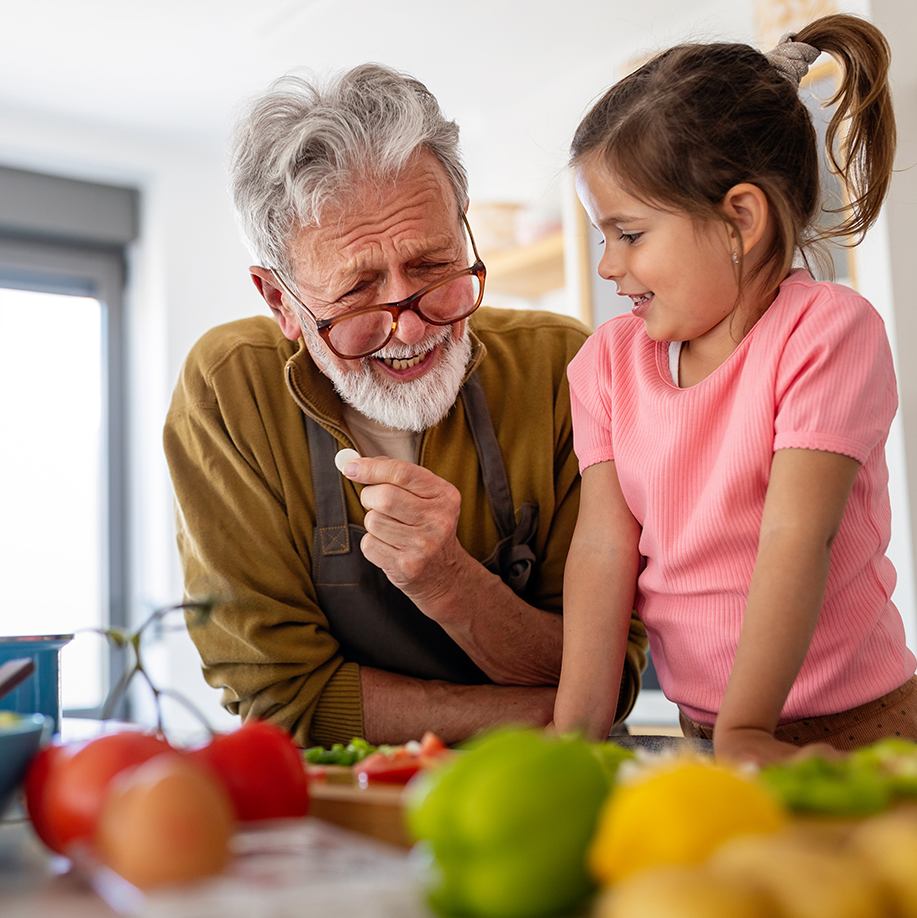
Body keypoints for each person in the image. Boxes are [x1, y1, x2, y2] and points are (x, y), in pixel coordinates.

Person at [164, 63, 648, 749]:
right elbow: (279, 696)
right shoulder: (227, 390)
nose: (412, 327)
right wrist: (551, 712)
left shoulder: (563, 368)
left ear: (463, 231)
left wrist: (449, 583)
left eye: (431, 267)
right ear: (281, 302)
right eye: (359, 291)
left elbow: (610, 669)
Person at [552, 14, 917, 765]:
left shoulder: (825, 331)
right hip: (709, 731)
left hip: (860, 728)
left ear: (738, 220)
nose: (606, 267)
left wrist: (748, 728)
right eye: (600, 238)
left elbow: (795, 537)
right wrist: (571, 734)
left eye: (627, 234)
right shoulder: (606, 364)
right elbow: (601, 549)